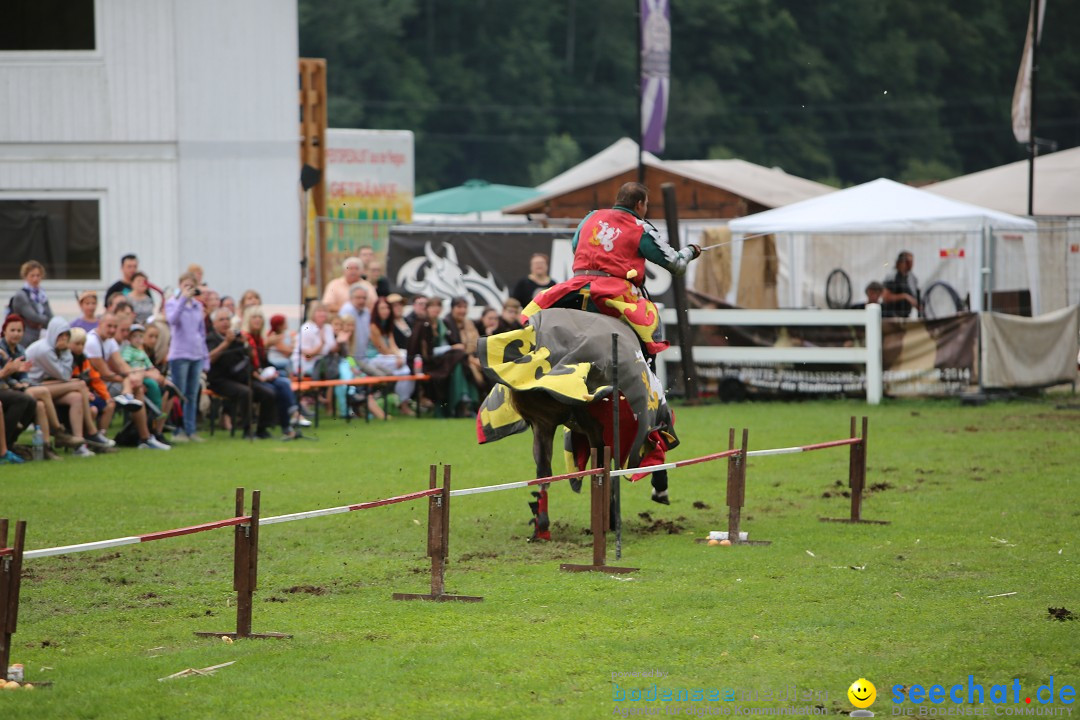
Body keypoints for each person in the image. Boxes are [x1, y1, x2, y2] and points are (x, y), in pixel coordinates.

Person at [523, 182, 700, 356]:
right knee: (650, 323)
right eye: (646, 205)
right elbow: (676, 265)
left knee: (534, 316)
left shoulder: (590, 218)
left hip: (576, 287)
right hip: (614, 293)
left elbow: (576, 247)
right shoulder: (639, 227)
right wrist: (691, 251)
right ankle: (645, 364)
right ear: (639, 205)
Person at [86, 313, 169, 449]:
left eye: (115, 327)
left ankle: (145, 437)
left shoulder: (110, 341)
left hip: (104, 383)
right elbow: (105, 373)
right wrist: (130, 379)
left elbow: (121, 365)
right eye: (109, 326)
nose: (112, 330)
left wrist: (132, 377)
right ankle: (145, 437)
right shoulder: (92, 341)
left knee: (139, 388)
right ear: (100, 324)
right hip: (93, 386)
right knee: (138, 389)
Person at [25, 317, 101, 457]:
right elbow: (65, 375)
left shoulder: (57, 349)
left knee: (77, 396)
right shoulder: (45, 350)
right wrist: (66, 351)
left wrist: (65, 351)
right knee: (80, 384)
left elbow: (64, 374)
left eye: (67, 335)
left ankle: (79, 444)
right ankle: (91, 431)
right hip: (31, 387)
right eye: (61, 335)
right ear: (53, 333)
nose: (64, 338)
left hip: (47, 385)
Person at [206, 308, 277, 439]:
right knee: (246, 392)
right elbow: (209, 359)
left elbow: (249, 357)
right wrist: (226, 342)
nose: (225, 322)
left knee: (268, 393)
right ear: (214, 323)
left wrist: (245, 344)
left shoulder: (235, 337)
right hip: (220, 381)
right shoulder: (211, 339)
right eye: (221, 320)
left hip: (239, 378)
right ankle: (247, 430)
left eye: (227, 319)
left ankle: (262, 429)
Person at [241, 306, 298, 439]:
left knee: (283, 382)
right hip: (248, 378)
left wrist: (273, 373)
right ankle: (270, 426)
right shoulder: (245, 338)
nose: (257, 320)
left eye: (260, 317)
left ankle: (287, 424)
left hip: (262, 374)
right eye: (254, 317)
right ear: (248, 320)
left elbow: (264, 362)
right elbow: (244, 364)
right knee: (273, 390)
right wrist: (260, 377)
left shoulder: (260, 339)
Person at [165, 273, 208, 443]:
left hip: (196, 354)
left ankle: (190, 430)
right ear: (180, 286)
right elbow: (172, 320)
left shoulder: (198, 306)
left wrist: (205, 357)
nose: (189, 289)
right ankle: (177, 430)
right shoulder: (173, 303)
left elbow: (202, 332)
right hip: (179, 354)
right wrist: (182, 300)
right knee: (179, 394)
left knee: (192, 393)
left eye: (192, 285)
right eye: (186, 285)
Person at [367, 296, 416, 416]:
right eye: (382, 308)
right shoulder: (373, 326)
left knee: (409, 370)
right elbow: (382, 349)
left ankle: (403, 402)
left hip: (388, 358)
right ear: (376, 310)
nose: (386, 311)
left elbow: (393, 345)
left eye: (387, 308)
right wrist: (399, 357)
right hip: (374, 359)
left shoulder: (388, 324)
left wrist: (398, 356)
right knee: (409, 363)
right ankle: (402, 403)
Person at [10, 260, 54, 346]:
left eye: (38, 275)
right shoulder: (21, 295)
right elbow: (33, 316)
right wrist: (47, 320)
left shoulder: (42, 295)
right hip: (25, 335)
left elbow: (49, 314)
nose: (35, 279)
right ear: (25, 276)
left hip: (41, 333)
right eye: (32, 276)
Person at [339, 283, 374, 362]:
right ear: (351, 298)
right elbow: (345, 344)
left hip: (363, 358)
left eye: (364, 298)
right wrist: (352, 365)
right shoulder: (346, 311)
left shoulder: (366, 311)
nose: (362, 301)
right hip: (350, 362)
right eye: (358, 298)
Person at [882, 251, 920, 319]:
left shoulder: (912, 278)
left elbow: (915, 297)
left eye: (911, 262)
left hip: (905, 316)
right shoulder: (892, 277)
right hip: (891, 317)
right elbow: (886, 297)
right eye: (908, 262)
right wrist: (904, 296)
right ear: (900, 263)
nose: (910, 265)